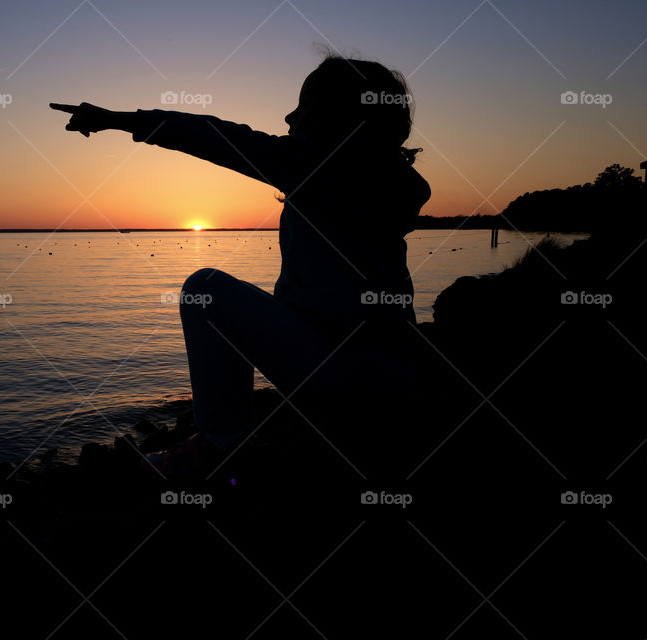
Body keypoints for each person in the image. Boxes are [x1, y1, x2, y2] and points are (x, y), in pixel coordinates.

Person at [50, 52, 431, 479]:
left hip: (350, 381)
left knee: (205, 289)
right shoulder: (378, 180)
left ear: (338, 117)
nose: (289, 116)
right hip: (394, 377)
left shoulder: (325, 171)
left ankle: (218, 449)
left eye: (304, 107)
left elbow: (215, 137)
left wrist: (118, 119)